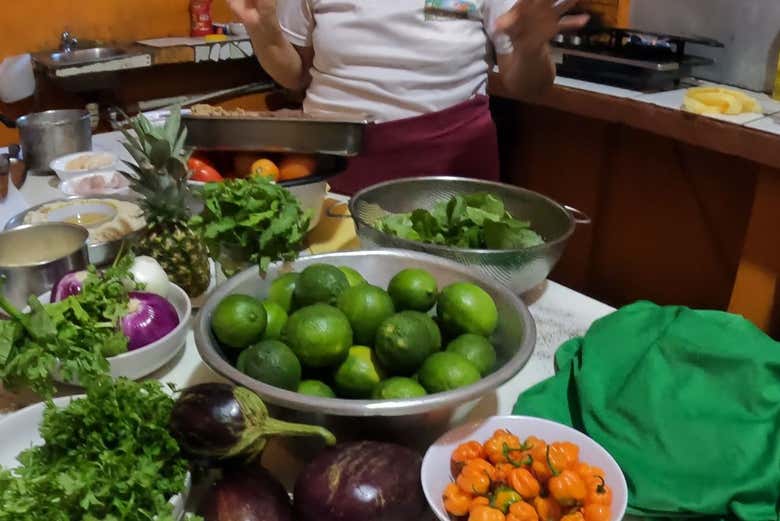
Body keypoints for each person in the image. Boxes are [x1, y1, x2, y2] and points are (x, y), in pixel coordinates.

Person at [227, 0, 588, 195]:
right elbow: (296, 73)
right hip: (331, 171)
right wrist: (263, 30)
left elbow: (530, 84)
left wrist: (529, 48)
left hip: (446, 177)